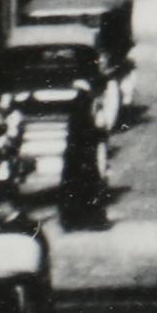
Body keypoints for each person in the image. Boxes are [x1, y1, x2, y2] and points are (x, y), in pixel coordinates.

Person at [57, 87, 110, 232]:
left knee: (75, 185)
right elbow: (94, 130)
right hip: (83, 151)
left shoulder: (82, 105)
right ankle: (90, 218)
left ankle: (74, 219)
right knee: (88, 183)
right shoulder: (86, 104)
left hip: (77, 152)